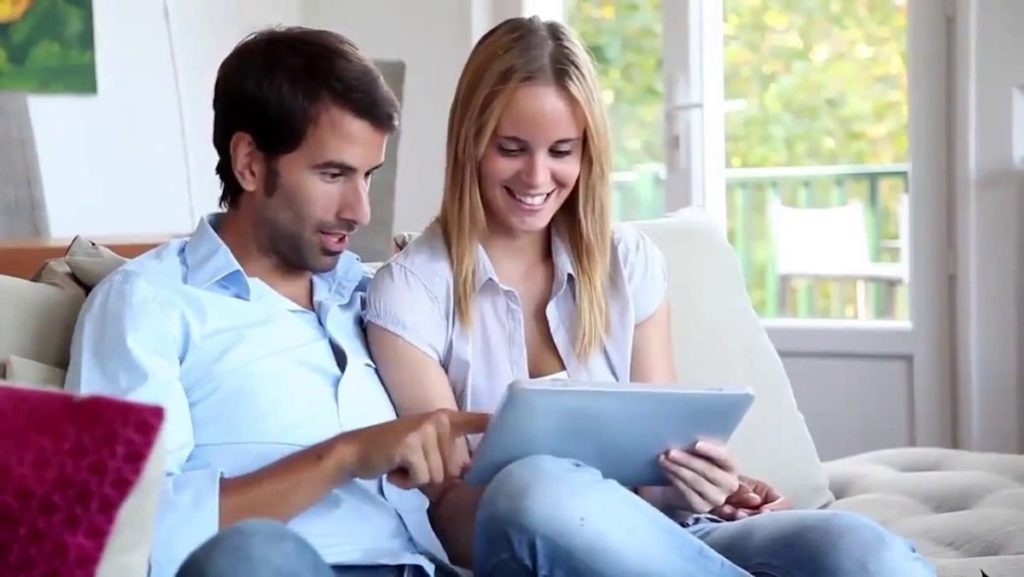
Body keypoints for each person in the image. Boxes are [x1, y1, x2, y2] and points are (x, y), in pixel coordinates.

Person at [364, 16, 937, 577]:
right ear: (469, 143)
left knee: (860, 549)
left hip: (667, 543)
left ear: (588, 153)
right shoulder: (409, 292)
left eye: (561, 151)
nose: (537, 177)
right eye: (511, 149)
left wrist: (699, 485)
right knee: (533, 488)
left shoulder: (628, 262)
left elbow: (658, 476)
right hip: (529, 546)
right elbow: (449, 515)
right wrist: (537, 499)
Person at [67, 26, 505, 577]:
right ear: (250, 162)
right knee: (253, 554)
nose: (360, 211)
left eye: (368, 176)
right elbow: (124, 528)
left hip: (422, 568)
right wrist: (344, 456)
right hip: (276, 567)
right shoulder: (148, 305)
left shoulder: (380, 298)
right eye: (333, 174)